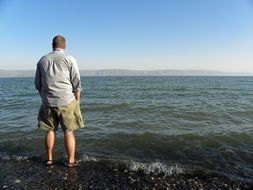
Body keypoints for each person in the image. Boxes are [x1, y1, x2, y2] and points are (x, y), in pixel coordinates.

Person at [35, 35, 84, 167]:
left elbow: (38, 84)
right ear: (65, 45)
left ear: (52, 45)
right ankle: (71, 161)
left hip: (47, 102)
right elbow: (76, 83)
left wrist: (44, 97)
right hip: (67, 100)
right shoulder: (69, 59)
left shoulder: (42, 60)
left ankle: (50, 159)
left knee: (50, 130)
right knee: (68, 131)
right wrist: (77, 101)